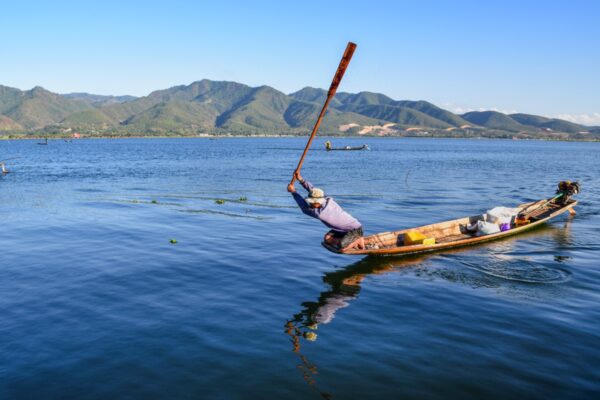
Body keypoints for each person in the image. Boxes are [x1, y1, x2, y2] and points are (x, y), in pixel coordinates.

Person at [287, 172, 363, 249]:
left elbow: (304, 208)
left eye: (313, 202)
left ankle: (358, 239)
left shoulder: (320, 213)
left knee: (341, 246)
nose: (311, 204)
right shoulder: (327, 199)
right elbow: (313, 190)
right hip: (343, 230)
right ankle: (351, 240)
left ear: (318, 201)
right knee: (327, 239)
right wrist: (301, 179)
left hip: (355, 229)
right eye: (311, 202)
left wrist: (294, 192)